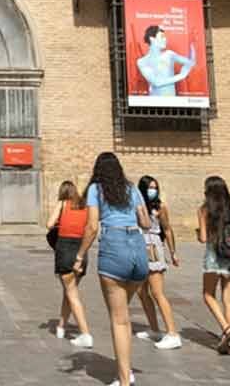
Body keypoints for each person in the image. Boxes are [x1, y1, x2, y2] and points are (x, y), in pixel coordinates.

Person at [74, 153, 151, 386]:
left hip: (114, 247)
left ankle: (124, 380)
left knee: (119, 320)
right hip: (138, 251)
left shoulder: (96, 190)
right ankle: (126, 370)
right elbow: (146, 223)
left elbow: (91, 227)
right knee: (123, 316)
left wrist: (80, 255)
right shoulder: (131, 188)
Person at [134, 175, 182, 350]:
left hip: (153, 247)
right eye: (150, 187)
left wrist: (173, 252)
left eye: (155, 187)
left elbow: (167, 230)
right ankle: (154, 328)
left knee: (157, 292)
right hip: (139, 247)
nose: (153, 190)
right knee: (141, 291)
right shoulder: (136, 206)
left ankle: (172, 333)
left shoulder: (160, 207)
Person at [196, 175, 230, 354]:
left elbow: (204, 238)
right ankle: (226, 343)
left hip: (214, 255)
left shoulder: (204, 210)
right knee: (228, 299)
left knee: (208, 294)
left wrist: (199, 232)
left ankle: (226, 329)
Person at [47, 181, 93, 346]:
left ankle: (85, 334)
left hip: (65, 249)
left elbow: (49, 224)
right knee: (69, 290)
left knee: (72, 294)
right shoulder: (85, 207)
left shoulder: (62, 204)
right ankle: (61, 326)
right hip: (81, 250)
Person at [135, 26, 196, 97]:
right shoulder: (142, 61)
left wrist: (191, 44)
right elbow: (156, 82)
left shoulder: (169, 54)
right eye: (162, 37)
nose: (165, 40)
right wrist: (181, 76)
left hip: (172, 102)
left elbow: (191, 62)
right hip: (154, 103)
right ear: (152, 39)